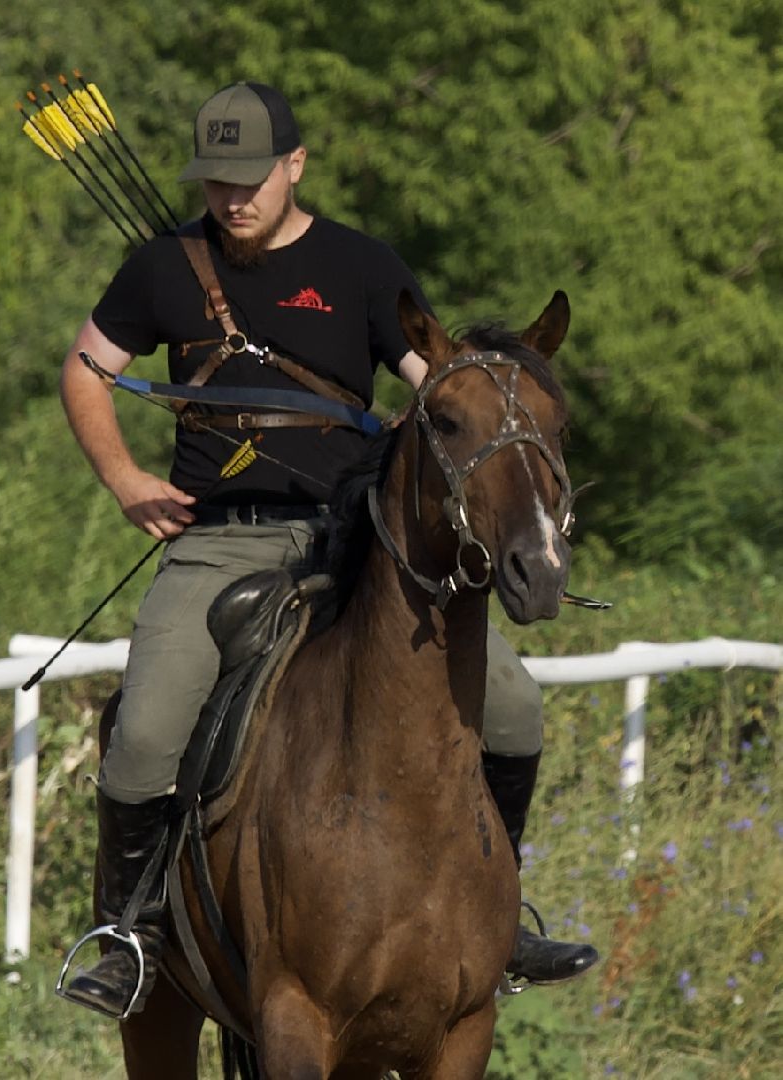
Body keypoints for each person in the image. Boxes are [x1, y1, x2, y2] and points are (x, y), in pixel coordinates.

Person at [56, 83, 597, 1018]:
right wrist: (123, 479)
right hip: (216, 545)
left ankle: (500, 918)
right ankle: (130, 936)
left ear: (294, 165)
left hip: (349, 547)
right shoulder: (161, 268)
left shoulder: (358, 265)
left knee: (514, 703)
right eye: (217, 182)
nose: (233, 200)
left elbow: (445, 390)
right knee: (142, 737)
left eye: (251, 180)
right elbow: (85, 370)